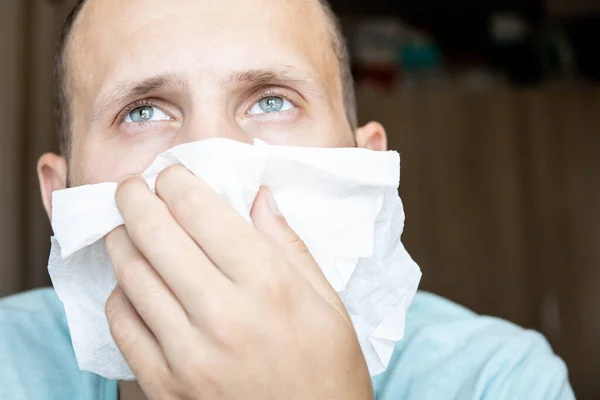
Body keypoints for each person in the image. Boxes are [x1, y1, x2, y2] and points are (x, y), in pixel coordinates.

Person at [0, 0, 574, 399]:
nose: (210, 160)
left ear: (366, 168)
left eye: (271, 101)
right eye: (142, 111)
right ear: (61, 196)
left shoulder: (498, 381)